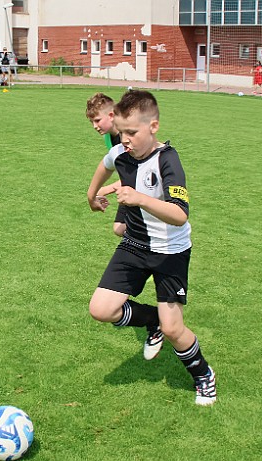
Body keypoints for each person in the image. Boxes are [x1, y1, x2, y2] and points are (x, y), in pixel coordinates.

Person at [86, 90, 216, 406]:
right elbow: (105, 165)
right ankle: (150, 320)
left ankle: (203, 374)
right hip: (134, 246)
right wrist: (91, 196)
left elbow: (180, 213)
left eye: (132, 132)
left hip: (170, 251)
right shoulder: (121, 153)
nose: (125, 139)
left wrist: (140, 198)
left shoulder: (168, 160)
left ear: (153, 126)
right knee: (100, 309)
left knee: (174, 330)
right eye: (123, 132)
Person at [86, 92, 125, 237]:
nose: (95, 126)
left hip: (145, 189)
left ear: (111, 115)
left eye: (97, 120)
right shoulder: (108, 136)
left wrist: (104, 190)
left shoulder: (127, 137)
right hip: (129, 187)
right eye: (92, 123)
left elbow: (136, 175)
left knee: (123, 228)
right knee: (119, 229)